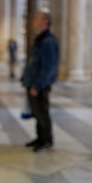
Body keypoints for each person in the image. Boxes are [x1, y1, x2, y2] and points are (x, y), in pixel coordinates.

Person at [21, 12, 59, 152]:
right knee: (37, 114)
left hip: (40, 86)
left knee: (42, 113)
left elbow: (48, 67)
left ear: (45, 22)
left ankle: (47, 141)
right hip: (33, 83)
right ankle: (40, 138)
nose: (34, 21)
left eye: (36, 19)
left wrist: (37, 85)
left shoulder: (48, 41)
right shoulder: (41, 39)